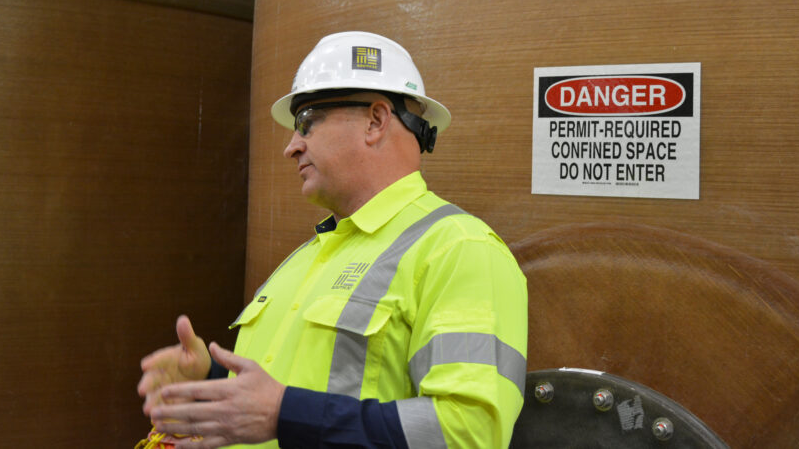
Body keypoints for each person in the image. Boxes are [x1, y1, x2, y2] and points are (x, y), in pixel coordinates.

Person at [139, 31, 528, 448]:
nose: (291, 146)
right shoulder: (307, 257)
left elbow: (469, 432)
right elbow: (281, 397)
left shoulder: (459, 249)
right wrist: (211, 384)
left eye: (306, 120)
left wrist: (285, 414)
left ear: (376, 121)